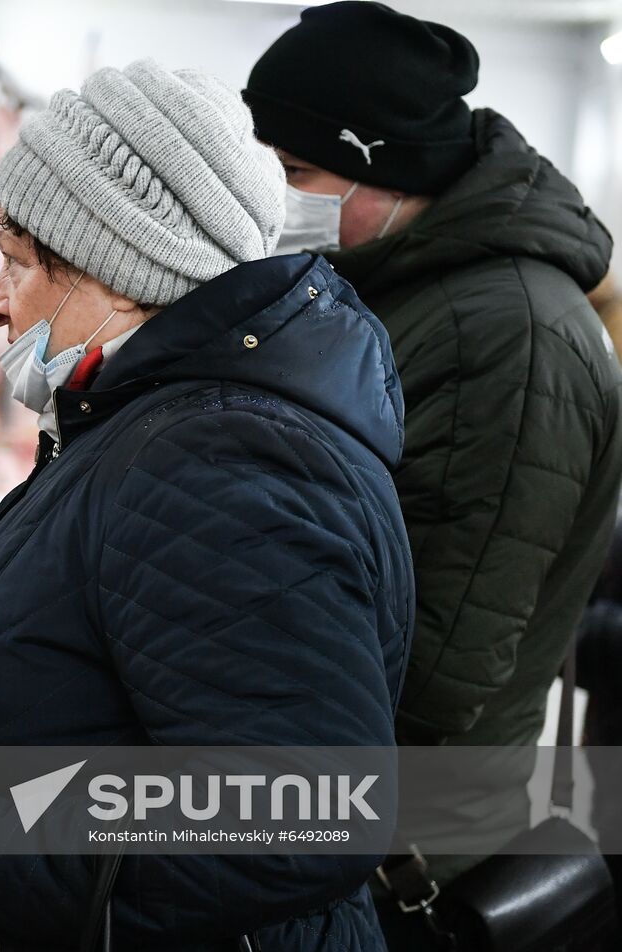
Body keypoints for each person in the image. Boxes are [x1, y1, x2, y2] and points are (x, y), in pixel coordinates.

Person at [0, 59, 413, 952]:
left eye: (17, 264)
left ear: (123, 272)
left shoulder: (216, 463)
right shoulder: (156, 424)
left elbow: (303, 813)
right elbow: (68, 670)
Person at [244, 0, 622, 935]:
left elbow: (436, 670)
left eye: (296, 172)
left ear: (387, 168)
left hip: (396, 838)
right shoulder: (401, 288)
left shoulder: (508, 338)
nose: (276, 198)